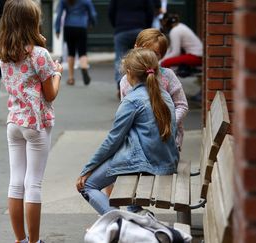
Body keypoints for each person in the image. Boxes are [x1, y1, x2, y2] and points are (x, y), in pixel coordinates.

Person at [76, 48, 179, 216]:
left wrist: (87, 169)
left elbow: (113, 140)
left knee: (87, 185)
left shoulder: (132, 100)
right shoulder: (164, 95)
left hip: (145, 162)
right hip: (166, 161)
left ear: (129, 73)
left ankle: (125, 223)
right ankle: (132, 215)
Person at [0, 0, 63, 242]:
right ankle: (34, 241)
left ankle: (20, 239)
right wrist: (57, 74)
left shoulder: (2, 50)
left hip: (14, 122)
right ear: (32, 22)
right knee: (33, 184)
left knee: (16, 183)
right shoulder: (40, 54)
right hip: (36, 124)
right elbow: (51, 93)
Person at [120, 28, 188, 151]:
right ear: (136, 47)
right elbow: (125, 113)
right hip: (139, 142)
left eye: (155, 54)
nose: (149, 56)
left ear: (162, 55)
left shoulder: (167, 76)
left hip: (167, 139)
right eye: (145, 50)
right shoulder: (126, 80)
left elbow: (182, 105)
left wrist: (168, 124)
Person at [108, 0, 154, 98]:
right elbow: (150, 11)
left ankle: (121, 86)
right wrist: (146, 28)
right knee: (141, 57)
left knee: (120, 58)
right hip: (139, 28)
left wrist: (116, 25)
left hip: (121, 29)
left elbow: (111, 12)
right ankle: (142, 84)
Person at [55, 0, 97, 86]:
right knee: (82, 52)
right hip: (81, 26)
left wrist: (57, 29)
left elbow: (59, 14)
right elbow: (93, 14)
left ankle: (71, 78)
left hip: (69, 27)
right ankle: (84, 68)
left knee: (71, 52)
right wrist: (92, 23)